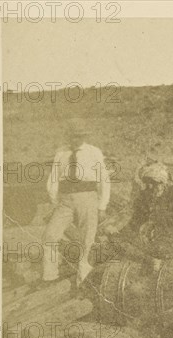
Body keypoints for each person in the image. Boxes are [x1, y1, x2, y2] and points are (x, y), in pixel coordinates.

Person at [42, 120, 110, 287]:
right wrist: (54, 200)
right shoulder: (61, 152)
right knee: (49, 236)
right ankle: (50, 276)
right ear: (68, 136)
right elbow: (54, 179)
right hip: (65, 201)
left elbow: (104, 180)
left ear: (85, 136)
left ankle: (83, 281)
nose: (77, 138)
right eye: (74, 135)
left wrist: (102, 206)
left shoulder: (94, 152)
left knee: (86, 240)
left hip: (87, 198)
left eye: (81, 135)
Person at [126, 162, 173, 260]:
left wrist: (158, 232)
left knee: (158, 254)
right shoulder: (144, 195)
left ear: (162, 183)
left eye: (153, 183)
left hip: (168, 236)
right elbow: (136, 219)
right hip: (147, 237)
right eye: (147, 182)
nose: (150, 186)